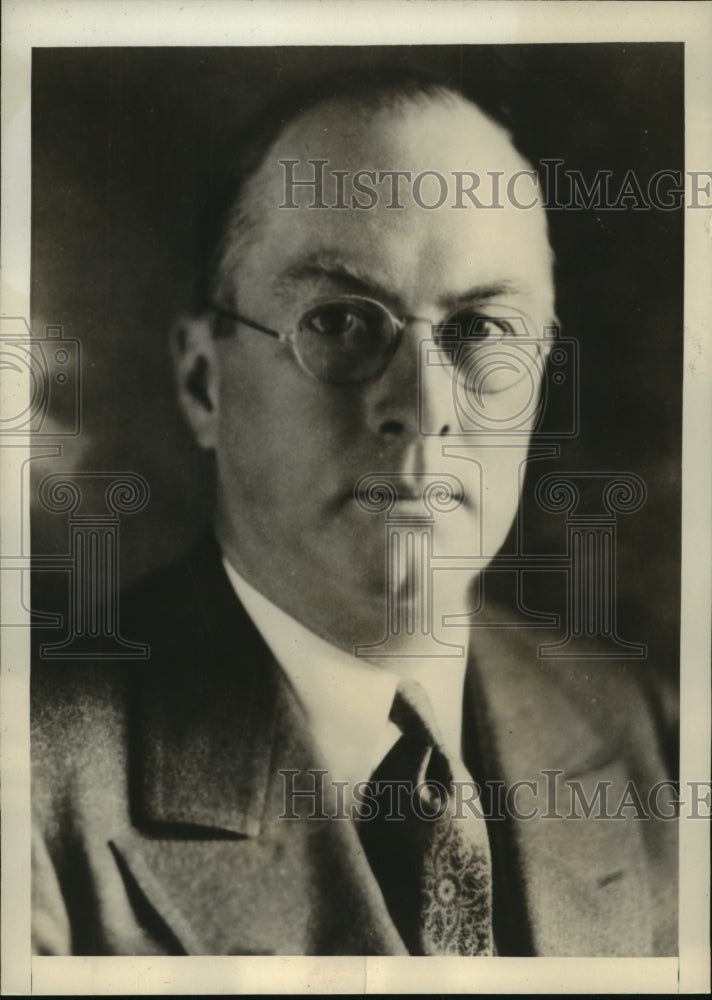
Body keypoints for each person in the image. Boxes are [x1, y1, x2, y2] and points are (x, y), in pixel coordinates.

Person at [31, 71, 677, 957]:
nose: (421, 405)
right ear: (202, 382)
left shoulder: (645, 733)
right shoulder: (32, 790)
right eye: (338, 321)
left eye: (483, 330)